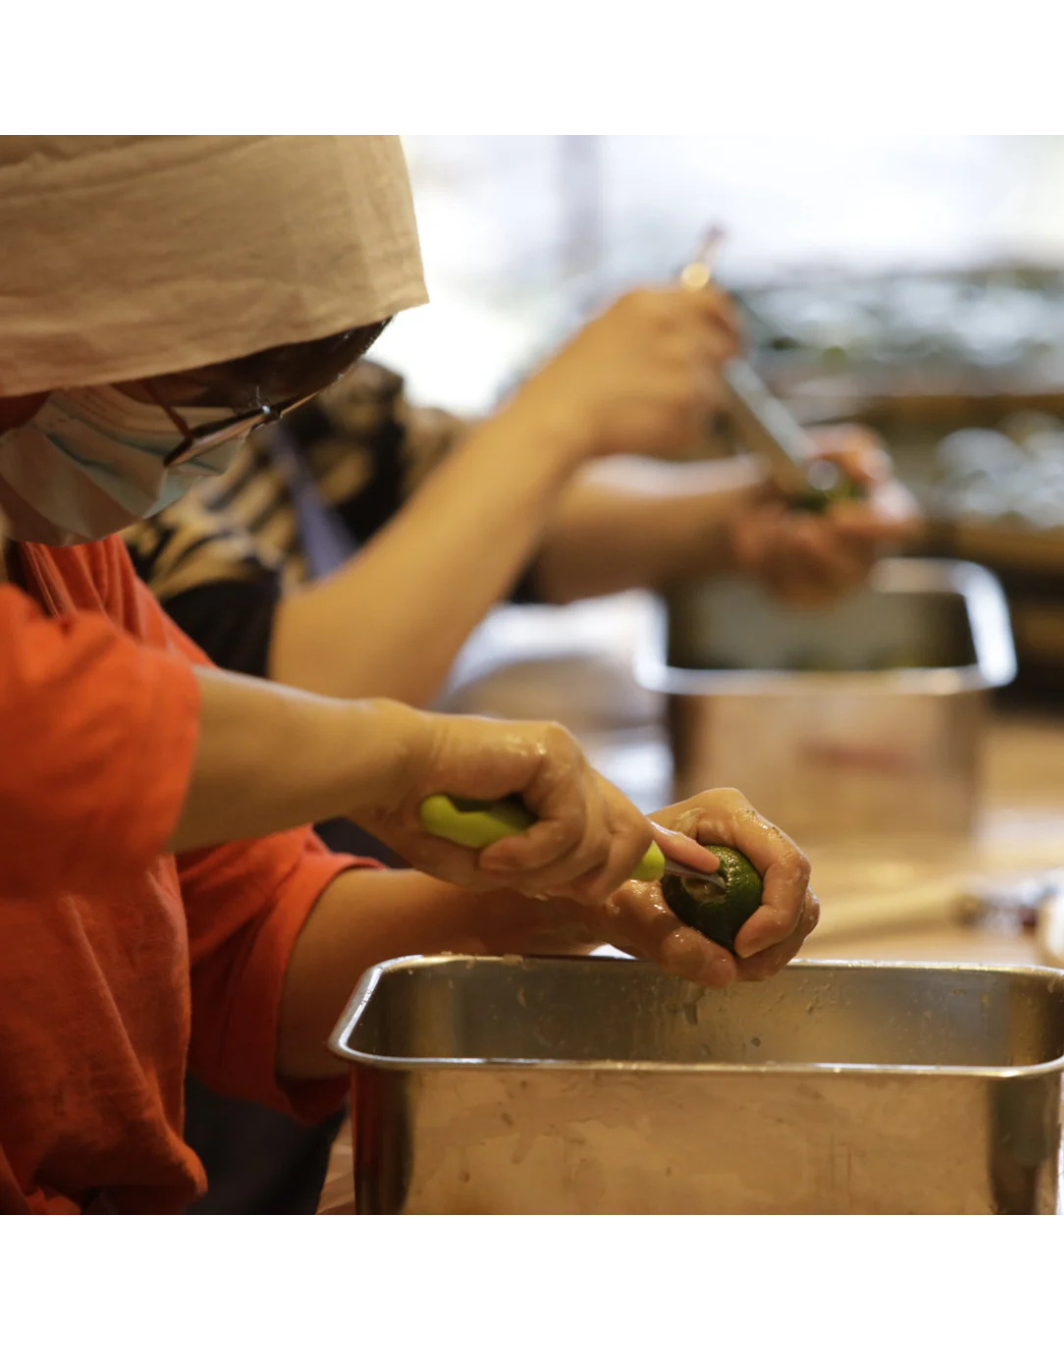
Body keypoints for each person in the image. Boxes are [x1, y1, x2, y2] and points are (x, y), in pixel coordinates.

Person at [0, 135, 817, 1215]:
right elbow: (56, 739)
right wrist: (401, 753)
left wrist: (565, 895)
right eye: (207, 395)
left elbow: (247, 935)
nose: (228, 447)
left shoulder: (58, 545)